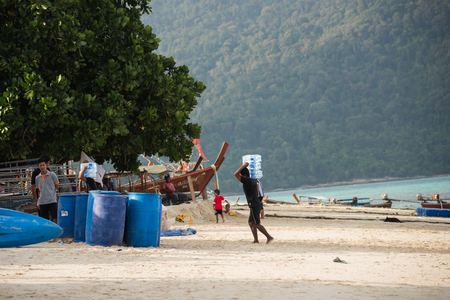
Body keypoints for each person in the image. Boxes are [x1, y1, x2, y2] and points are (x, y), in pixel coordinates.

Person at [234, 162, 274, 244]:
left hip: (254, 204)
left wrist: (244, 166)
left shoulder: (247, 181)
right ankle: (256, 240)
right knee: (250, 223)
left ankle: (269, 237)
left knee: (256, 223)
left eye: (241, 175)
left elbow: (235, 174)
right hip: (255, 203)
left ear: (244, 175)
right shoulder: (253, 181)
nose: (240, 177)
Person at [34, 157, 59, 223]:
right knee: (45, 220)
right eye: (40, 165)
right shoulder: (37, 178)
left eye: (43, 165)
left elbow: (57, 186)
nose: (42, 167)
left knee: (55, 218)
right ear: (38, 166)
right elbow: (38, 190)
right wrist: (38, 201)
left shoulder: (52, 175)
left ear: (46, 165)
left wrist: (52, 192)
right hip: (43, 201)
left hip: (52, 200)